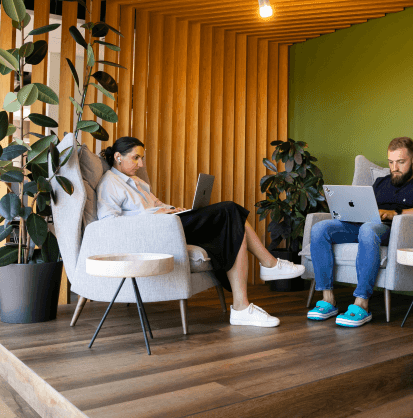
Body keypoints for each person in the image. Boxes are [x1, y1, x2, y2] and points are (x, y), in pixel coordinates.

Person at [97, 137, 306, 328]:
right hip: (157, 232)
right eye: (136, 158)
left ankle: (242, 306)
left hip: (170, 223)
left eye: (141, 158)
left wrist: (171, 208)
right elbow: (110, 224)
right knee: (230, 209)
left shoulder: (139, 182)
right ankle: (269, 265)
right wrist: (153, 215)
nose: (141, 164)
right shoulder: (110, 183)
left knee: (233, 224)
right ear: (118, 157)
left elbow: (157, 204)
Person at [307, 137, 413, 327]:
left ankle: (361, 304)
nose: (394, 167)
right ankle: (328, 300)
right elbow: (365, 207)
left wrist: (394, 214)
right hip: (364, 224)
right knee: (321, 228)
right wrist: (349, 211)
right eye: (391, 162)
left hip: (391, 230)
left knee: (368, 230)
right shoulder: (380, 182)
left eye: (400, 162)